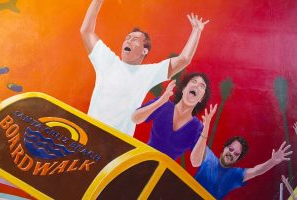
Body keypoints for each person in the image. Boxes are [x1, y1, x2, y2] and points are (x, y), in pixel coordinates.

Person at [80, 0, 210, 136]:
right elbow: (86, 31)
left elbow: (184, 59)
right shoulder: (107, 60)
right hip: (90, 134)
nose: (128, 40)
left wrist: (197, 31)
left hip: (119, 144)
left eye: (135, 39)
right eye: (127, 38)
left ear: (144, 51)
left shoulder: (148, 73)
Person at [132, 73, 217, 161]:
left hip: (164, 171)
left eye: (202, 86)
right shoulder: (164, 104)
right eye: (194, 81)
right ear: (184, 89)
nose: (196, 85)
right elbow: (135, 118)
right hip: (142, 159)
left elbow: (196, 162)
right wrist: (160, 101)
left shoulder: (197, 127)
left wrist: (205, 130)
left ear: (201, 99)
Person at [192, 135, 293, 200]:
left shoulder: (236, 175)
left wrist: (272, 162)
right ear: (225, 148)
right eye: (231, 149)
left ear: (237, 159)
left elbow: (256, 171)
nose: (231, 153)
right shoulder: (207, 155)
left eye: (236, 153)